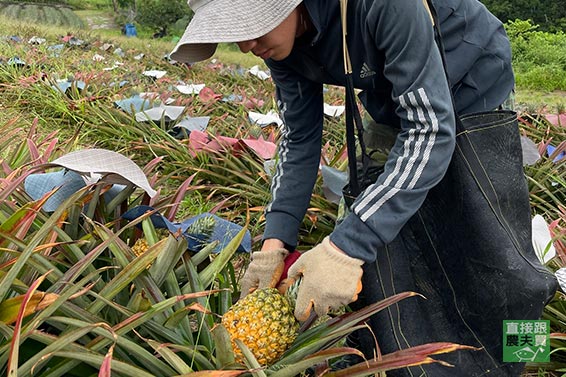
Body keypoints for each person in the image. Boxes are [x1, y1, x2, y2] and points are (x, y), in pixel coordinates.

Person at [170, 0, 553, 375]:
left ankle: (530, 357)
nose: (246, 46)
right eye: (234, 33)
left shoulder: (385, 4)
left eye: (250, 25)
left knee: (497, 249)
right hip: (393, 95)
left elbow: (431, 129)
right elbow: (300, 138)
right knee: (389, 235)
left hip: (472, 80)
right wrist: (274, 243)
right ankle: (416, 354)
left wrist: (345, 246)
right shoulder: (280, 43)